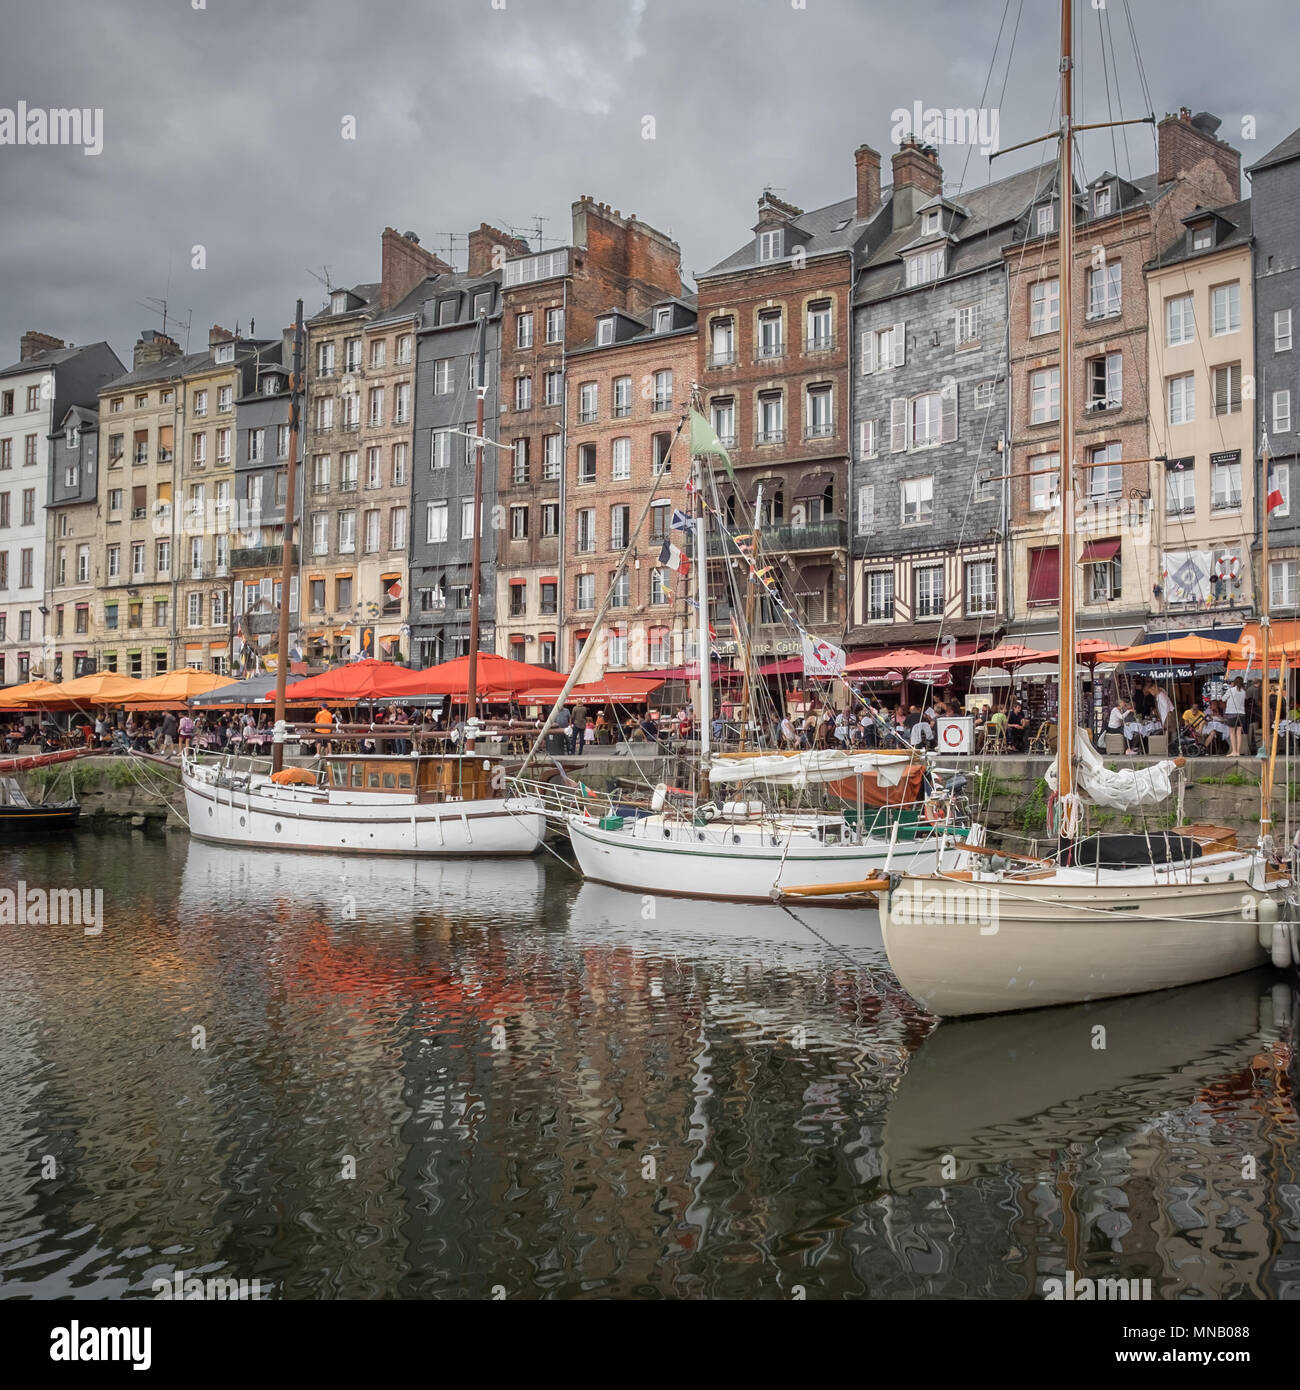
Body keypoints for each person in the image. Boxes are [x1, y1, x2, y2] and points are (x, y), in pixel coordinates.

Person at [1225, 676, 1247, 756]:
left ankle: (1233, 751)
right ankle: (1238, 751)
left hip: (1232, 713)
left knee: (1232, 733)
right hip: (1241, 714)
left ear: (1234, 682)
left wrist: (1231, 687)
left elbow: (1223, 699)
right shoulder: (1243, 692)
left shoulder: (1231, 690)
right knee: (1238, 733)